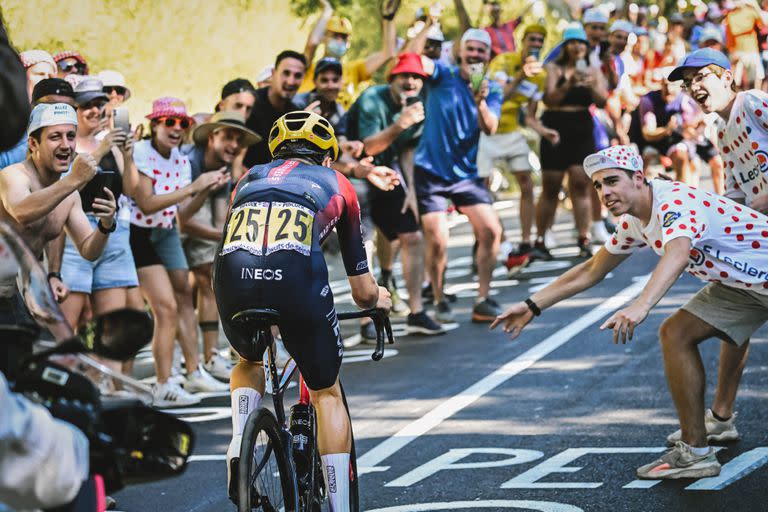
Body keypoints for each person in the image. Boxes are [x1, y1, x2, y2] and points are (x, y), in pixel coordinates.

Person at [492, 144, 768, 480]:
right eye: (597, 185)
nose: (604, 192)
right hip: (745, 287)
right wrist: (533, 305)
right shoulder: (634, 222)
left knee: (678, 329)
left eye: (611, 181)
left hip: (757, 278)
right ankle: (697, 453)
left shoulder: (673, 202)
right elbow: (591, 270)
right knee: (675, 333)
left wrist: (640, 306)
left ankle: (715, 425)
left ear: (638, 178)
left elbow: (678, 253)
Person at [214, 110, 391, 509]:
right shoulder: (338, 183)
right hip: (295, 284)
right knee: (326, 392)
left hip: (231, 279)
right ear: (327, 157)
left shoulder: (248, 178)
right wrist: (380, 299)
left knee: (249, 360)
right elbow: (362, 291)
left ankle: (240, 445)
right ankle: (339, 505)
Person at [662, 47, 768, 447]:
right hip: (761, 243)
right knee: (726, 324)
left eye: (702, 76)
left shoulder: (753, 103)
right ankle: (721, 417)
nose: (695, 87)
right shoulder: (718, 129)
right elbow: (737, 191)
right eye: (688, 83)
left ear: (727, 76)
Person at [129, 97, 230, 406]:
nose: (176, 128)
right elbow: (145, 202)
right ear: (154, 125)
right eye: (168, 122)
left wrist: (204, 189)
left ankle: (193, 370)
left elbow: (183, 214)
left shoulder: (181, 162)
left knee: (185, 296)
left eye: (182, 123)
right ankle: (163, 382)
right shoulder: (141, 152)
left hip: (167, 229)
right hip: (139, 231)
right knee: (166, 306)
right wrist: (193, 187)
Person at [345, 52, 444, 335]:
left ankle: (417, 312)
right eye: (404, 76)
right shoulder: (372, 99)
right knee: (364, 244)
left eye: (416, 77)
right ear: (392, 78)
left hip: (387, 172)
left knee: (412, 236)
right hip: (356, 170)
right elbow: (369, 147)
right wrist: (400, 123)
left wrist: (412, 191)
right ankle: (367, 319)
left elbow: (408, 151)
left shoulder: (420, 104)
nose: (410, 81)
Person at [415, 29, 504, 323]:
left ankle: (482, 298)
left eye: (482, 50)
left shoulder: (492, 89)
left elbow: (490, 127)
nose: (476, 55)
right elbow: (414, 59)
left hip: (466, 173)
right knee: (438, 239)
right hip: (432, 171)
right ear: (460, 52)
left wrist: (479, 100)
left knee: (491, 231)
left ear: (488, 56)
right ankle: (439, 298)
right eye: (471, 49)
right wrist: (426, 27)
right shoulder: (443, 74)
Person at [0, 103, 117, 327]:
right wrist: (74, 180)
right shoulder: (13, 176)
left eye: (71, 136)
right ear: (33, 143)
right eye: (55, 137)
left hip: (9, 296)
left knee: (29, 358)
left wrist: (105, 224)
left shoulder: (69, 195)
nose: (66, 145)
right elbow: (22, 211)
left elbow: (88, 250)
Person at [179, 111, 261, 381]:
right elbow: (182, 220)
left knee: (208, 274)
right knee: (205, 276)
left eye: (238, 139)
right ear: (212, 136)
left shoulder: (223, 169)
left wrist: (230, 239)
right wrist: (224, 238)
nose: (234, 145)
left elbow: (218, 219)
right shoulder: (189, 161)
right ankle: (207, 355)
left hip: (188, 225)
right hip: (169, 222)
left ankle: (208, 355)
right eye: (228, 137)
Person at [480, 24, 557, 267]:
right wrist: (521, 75)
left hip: (512, 132)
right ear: (522, 41)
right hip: (486, 131)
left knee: (526, 183)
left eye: (539, 41)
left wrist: (545, 132)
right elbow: (497, 94)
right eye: (531, 39)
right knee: (480, 190)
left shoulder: (541, 76)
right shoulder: (503, 62)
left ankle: (526, 241)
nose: (535, 44)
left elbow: (531, 116)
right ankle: (497, 238)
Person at [535, 25, 608, 260]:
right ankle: (541, 236)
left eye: (581, 43)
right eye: (573, 43)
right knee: (552, 185)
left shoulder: (594, 70)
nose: (577, 47)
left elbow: (603, 100)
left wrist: (591, 84)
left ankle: (583, 236)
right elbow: (549, 99)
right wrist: (568, 82)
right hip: (556, 123)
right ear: (565, 46)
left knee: (580, 182)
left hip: (582, 125)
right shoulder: (554, 68)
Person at [300, 0, 397, 109]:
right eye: (335, 36)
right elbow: (312, 44)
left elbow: (388, 53)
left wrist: (388, 18)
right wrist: (327, 12)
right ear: (324, 38)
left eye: (344, 38)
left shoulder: (353, 70)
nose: (340, 41)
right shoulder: (309, 68)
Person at [243, 50, 307, 168]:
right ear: (273, 73)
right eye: (286, 73)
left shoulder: (295, 114)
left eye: (297, 76)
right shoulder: (250, 105)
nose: (290, 81)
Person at [724, 0, 765, 89]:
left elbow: (764, 24)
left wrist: (756, 6)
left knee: (756, 78)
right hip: (737, 52)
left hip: (752, 50)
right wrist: (731, 51)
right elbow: (732, 31)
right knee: (737, 82)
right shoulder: (731, 14)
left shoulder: (750, 11)